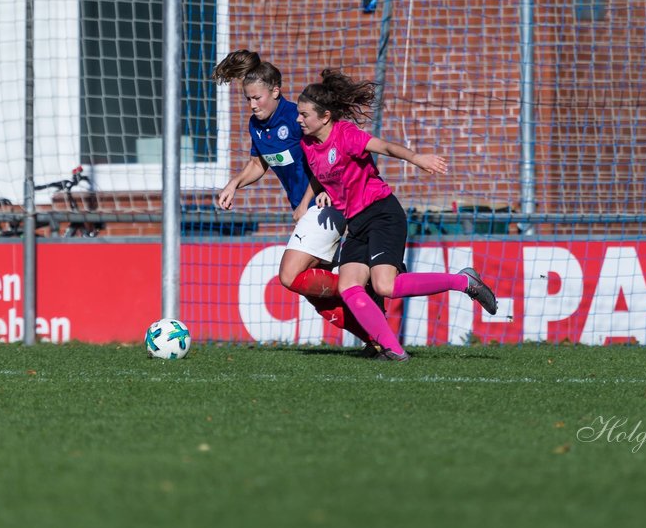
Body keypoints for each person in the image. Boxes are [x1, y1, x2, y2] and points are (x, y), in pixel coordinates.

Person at [297, 68, 498, 362]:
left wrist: (417, 158)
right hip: (356, 223)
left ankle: (465, 282)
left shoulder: (346, 135)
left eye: (304, 115)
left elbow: (386, 146)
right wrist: (313, 198)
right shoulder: (308, 145)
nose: (299, 119)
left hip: (382, 213)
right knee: (349, 286)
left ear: (325, 116)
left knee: (384, 285)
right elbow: (322, 175)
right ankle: (394, 350)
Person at [213, 50, 378, 349]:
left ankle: (355, 286)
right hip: (309, 209)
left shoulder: (296, 117)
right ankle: (374, 337)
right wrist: (234, 183)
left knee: (290, 276)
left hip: (326, 204)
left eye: (257, 98)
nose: (252, 105)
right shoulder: (257, 125)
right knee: (315, 295)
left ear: (275, 91)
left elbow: (328, 155)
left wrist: (312, 197)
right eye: (247, 99)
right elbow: (258, 164)